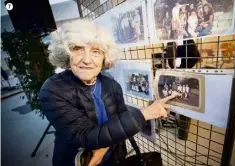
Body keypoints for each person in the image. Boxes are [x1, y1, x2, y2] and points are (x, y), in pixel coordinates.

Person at [39, 20, 177, 166]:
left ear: (105, 57)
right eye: (78, 49)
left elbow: (120, 119)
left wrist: (105, 147)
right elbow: (85, 135)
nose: (87, 59)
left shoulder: (111, 85)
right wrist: (145, 114)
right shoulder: (52, 90)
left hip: (114, 157)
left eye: (96, 51)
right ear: (66, 54)